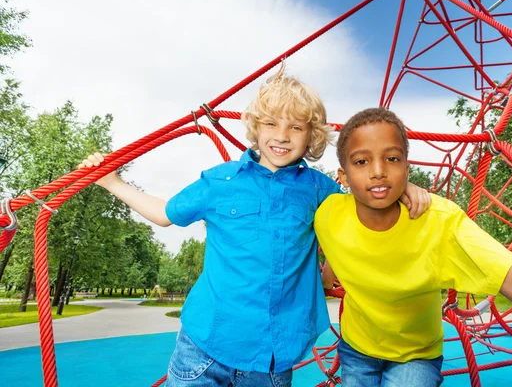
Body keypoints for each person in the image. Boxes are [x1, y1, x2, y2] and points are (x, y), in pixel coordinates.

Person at [78, 67, 431, 387]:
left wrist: (403, 188)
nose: (282, 136)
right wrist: (113, 183)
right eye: (271, 124)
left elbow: (360, 212)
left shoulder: (319, 190)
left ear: (310, 137)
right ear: (256, 126)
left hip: (272, 361)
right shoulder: (221, 181)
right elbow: (164, 213)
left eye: (295, 127)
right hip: (205, 348)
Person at [315, 107, 512, 387]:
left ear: (407, 168)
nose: (378, 171)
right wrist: (327, 279)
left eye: (391, 158)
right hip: (356, 349)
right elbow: (336, 241)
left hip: (415, 356)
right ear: (342, 176)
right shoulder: (328, 213)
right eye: (361, 162)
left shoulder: (439, 223)